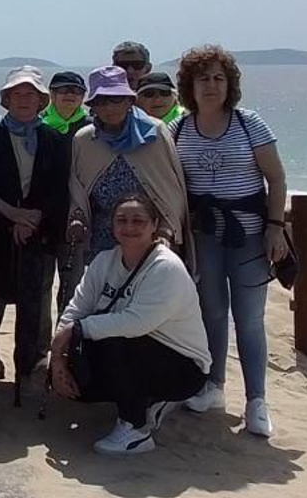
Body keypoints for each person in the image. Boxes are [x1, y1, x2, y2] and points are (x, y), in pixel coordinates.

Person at [172, 44, 289, 437]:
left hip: (250, 235)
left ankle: (257, 401)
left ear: (230, 84)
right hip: (204, 236)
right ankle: (214, 387)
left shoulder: (249, 123)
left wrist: (275, 227)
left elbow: (276, 178)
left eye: (219, 78)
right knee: (212, 314)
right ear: (189, 85)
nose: (211, 86)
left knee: (250, 319)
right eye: (203, 78)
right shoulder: (179, 129)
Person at [50, 192, 209, 455]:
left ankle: (136, 429)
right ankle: (148, 400)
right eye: (122, 220)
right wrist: (58, 359)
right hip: (137, 352)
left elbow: (136, 323)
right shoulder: (104, 261)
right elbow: (77, 308)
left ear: (154, 225)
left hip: (183, 366)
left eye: (138, 221)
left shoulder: (166, 267)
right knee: (80, 381)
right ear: (112, 226)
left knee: (115, 339)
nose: (129, 227)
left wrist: (77, 330)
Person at [0, 67, 71, 396]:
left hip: (38, 235)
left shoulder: (54, 138)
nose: (24, 100)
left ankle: (30, 367)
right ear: (6, 99)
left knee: (36, 303)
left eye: (31, 95)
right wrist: (12, 216)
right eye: (17, 94)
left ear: (41, 100)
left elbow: (58, 188)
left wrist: (31, 221)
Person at [68, 66, 190, 268]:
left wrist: (166, 231)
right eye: (101, 101)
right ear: (93, 106)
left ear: (129, 101)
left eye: (116, 99)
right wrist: (77, 219)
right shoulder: (84, 139)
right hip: (102, 237)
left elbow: (172, 190)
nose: (109, 107)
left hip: (152, 235)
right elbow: (77, 191)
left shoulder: (155, 132)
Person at [45, 70, 90, 316]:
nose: (69, 95)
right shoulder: (36, 124)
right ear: (52, 95)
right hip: (42, 218)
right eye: (63, 90)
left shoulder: (92, 127)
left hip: (76, 217)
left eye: (76, 91)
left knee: (72, 286)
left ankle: (67, 342)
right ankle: (39, 351)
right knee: (39, 290)